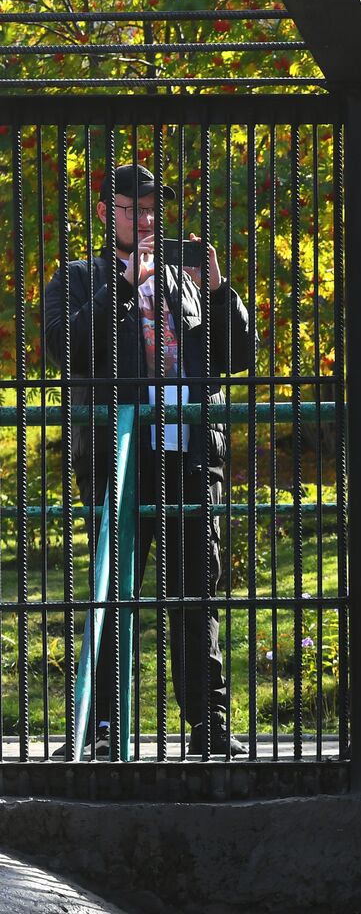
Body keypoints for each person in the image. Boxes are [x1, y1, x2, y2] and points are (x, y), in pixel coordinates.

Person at [44, 163, 256, 757]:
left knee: (196, 592)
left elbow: (237, 354)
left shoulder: (186, 282)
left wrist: (218, 292)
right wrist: (122, 287)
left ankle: (207, 727)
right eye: (131, 207)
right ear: (105, 212)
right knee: (116, 591)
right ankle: (106, 731)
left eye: (151, 208)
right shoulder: (79, 278)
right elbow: (67, 348)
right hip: (120, 457)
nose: (144, 217)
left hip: (188, 454)